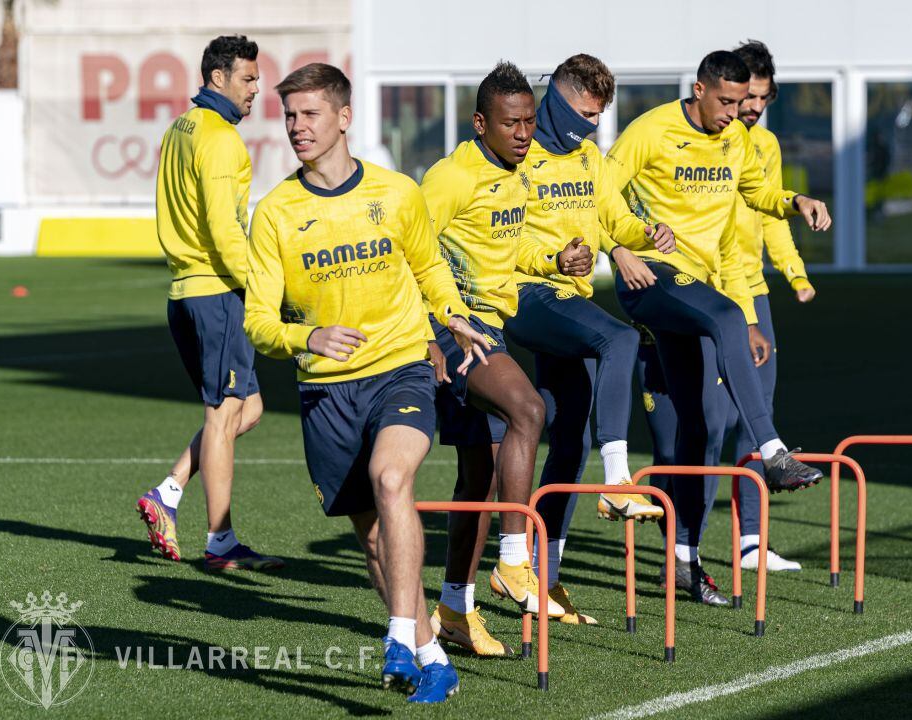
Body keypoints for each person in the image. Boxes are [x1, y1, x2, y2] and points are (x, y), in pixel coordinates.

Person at [244, 62, 488, 703]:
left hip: (400, 368)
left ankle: (399, 636)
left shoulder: (397, 193)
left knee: (391, 477)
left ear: (344, 118)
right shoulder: (274, 214)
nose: (297, 127)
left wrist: (450, 315)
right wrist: (307, 337)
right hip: (326, 393)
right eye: (290, 116)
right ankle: (431, 654)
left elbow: (428, 264)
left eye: (310, 114)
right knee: (376, 539)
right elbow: (259, 323)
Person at [607, 50, 831, 604]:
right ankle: (773, 450)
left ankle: (683, 560)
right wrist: (623, 241)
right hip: (651, 277)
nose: (735, 112)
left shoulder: (738, 140)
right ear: (699, 89)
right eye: (726, 101)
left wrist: (795, 200)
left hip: (698, 290)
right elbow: (599, 189)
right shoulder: (651, 130)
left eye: (743, 102)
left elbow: (754, 193)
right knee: (730, 317)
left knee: (702, 429)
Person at [498, 53, 678, 625]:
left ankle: (542, 579)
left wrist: (642, 231)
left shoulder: (589, 155)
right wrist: (554, 257)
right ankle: (618, 480)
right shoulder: (517, 158)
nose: (590, 125)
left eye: (598, 116)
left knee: (567, 434)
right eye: (583, 113)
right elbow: (498, 242)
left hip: (565, 299)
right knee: (621, 341)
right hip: (524, 293)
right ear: (553, 97)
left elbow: (612, 217)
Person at [421, 61, 587, 656]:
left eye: (528, 122)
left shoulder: (515, 176)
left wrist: (552, 263)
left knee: (478, 479)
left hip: (487, 327)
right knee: (530, 408)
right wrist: (428, 335)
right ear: (480, 123)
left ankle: (455, 607)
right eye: (511, 124)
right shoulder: (449, 179)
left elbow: (511, 252)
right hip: (453, 330)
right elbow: (408, 251)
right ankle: (516, 561)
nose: (524, 134)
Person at [138, 35, 282, 572]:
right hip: (216, 290)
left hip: (186, 290)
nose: (255, 90)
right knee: (224, 417)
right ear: (217, 78)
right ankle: (221, 544)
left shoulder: (179, 129)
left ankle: (168, 491)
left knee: (250, 408)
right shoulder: (220, 138)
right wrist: (264, 290)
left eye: (257, 79)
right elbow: (225, 231)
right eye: (247, 79)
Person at [725, 40, 817, 572]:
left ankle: (751, 544)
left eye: (763, 95)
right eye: (748, 96)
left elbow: (772, 216)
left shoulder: (767, 145)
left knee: (759, 416)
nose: (754, 106)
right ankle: (681, 544)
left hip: (753, 292)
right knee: (706, 422)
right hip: (712, 289)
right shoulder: (712, 141)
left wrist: (796, 274)